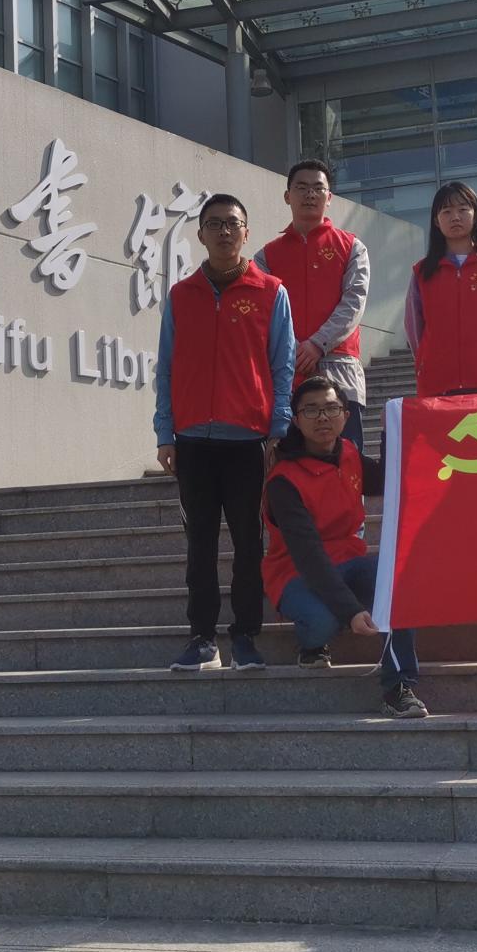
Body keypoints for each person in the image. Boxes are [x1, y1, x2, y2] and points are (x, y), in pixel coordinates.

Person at [154, 194, 296, 673]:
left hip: (248, 440)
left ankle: (246, 637)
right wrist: (165, 432)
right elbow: (166, 367)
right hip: (193, 440)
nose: (223, 232)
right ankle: (202, 638)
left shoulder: (271, 292)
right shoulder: (181, 296)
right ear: (200, 234)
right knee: (200, 545)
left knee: (248, 543)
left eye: (232, 223)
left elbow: (283, 364)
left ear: (246, 232)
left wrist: (278, 429)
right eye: (214, 224)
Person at [264, 376, 427, 718]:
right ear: (296, 420)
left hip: (350, 559)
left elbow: (385, 480)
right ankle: (311, 645)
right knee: (323, 622)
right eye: (311, 410)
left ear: (345, 415)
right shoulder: (283, 480)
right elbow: (309, 558)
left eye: (331, 408)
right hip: (295, 572)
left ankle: (398, 688)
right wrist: (351, 611)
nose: (322, 417)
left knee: (394, 588)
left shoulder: (349, 453)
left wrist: (390, 432)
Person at [256, 160, 371, 453]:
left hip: (339, 371)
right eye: (302, 187)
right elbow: (262, 312)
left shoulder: (352, 247)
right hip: (287, 376)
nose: (310, 194)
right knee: (291, 466)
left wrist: (318, 344)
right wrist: (294, 349)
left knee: (346, 464)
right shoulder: (266, 256)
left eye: (318, 188)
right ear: (287, 196)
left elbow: (354, 302)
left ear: (329, 197)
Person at [403, 181, 477, 398]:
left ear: (475, 215)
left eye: (462, 209)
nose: (455, 217)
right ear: (436, 221)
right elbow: (415, 329)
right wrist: (426, 360)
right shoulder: (423, 272)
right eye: (446, 211)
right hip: (439, 383)